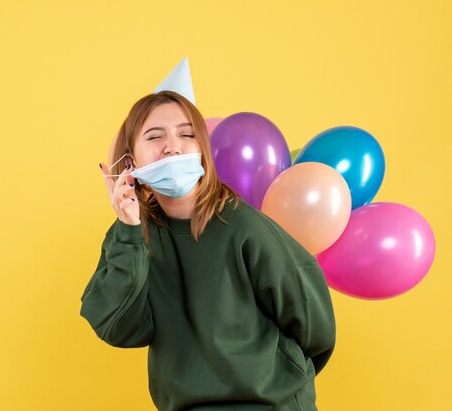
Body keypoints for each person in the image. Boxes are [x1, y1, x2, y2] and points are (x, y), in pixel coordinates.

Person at [80, 90, 336, 411]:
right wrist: (129, 229)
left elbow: (314, 327)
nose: (172, 146)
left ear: (202, 149)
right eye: (155, 136)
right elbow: (117, 325)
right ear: (130, 161)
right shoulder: (132, 235)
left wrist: (281, 377)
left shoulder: (244, 226)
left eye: (186, 134)